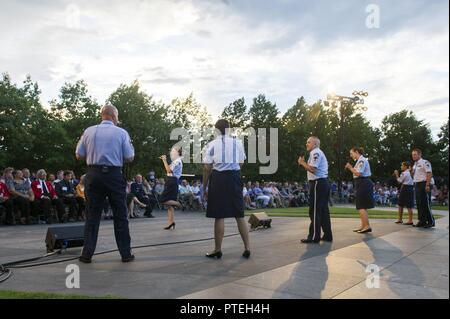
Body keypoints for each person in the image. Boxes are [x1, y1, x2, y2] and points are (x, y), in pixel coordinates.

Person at [75, 103, 135, 263]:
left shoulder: (89, 131)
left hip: (93, 174)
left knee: (92, 215)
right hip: (114, 175)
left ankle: (86, 254)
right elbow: (129, 157)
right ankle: (125, 254)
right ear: (115, 116)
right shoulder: (121, 133)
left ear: (102, 115)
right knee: (120, 214)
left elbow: (79, 154)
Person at [202, 119, 250, 259]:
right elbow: (241, 162)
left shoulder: (211, 145)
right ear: (228, 129)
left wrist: (204, 186)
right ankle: (247, 247)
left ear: (216, 130)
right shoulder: (238, 142)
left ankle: (218, 249)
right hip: (234, 177)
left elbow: (206, 168)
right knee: (239, 215)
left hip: (219, 178)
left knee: (219, 215)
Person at [297, 136, 333, 243]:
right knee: (323, 211)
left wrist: (302, 163)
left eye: (308, 142)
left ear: (315, 144)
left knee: (315, 211)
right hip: (322, 183)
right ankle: (327, 235)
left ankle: (314, 237)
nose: (306, 144)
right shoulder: (317, 152)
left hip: (318, 183)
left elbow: (313, 169)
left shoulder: (315, 153)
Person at [345, 147, 375, 234]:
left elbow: (358, 173)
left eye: (351, 153)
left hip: (363, 182)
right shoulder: (360, 161)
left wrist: (350, 167)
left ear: (356, 152)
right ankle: (363, 226)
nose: (351, 155)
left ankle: (367, 226)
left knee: (361, 205)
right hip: (361, 183)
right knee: (361, 206)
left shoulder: (362, 160)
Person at [159, 147, 183, 230]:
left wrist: (164, 160)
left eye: (173, 151)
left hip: (172, 181)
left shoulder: (177, 161)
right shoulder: (176, 161)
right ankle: (171, 223)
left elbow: (168, 170)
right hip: (172, 181)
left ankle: (178, 204)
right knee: (169, 205)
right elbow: (168, 170)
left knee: (162, 199)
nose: (172, 152)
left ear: (178, 153)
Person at [411, 148, 435, 228]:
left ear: (419, 155)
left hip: (424, 183)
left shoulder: (425, 162)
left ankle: (431, 221)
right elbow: (414, 175)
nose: (413, 156)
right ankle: (422, 221)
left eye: (415, 154)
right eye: (412, 155)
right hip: (417, 184)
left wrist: (427, 185)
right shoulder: (415, 164)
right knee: (419, 204)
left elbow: (429, 173)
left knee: (425, 203)